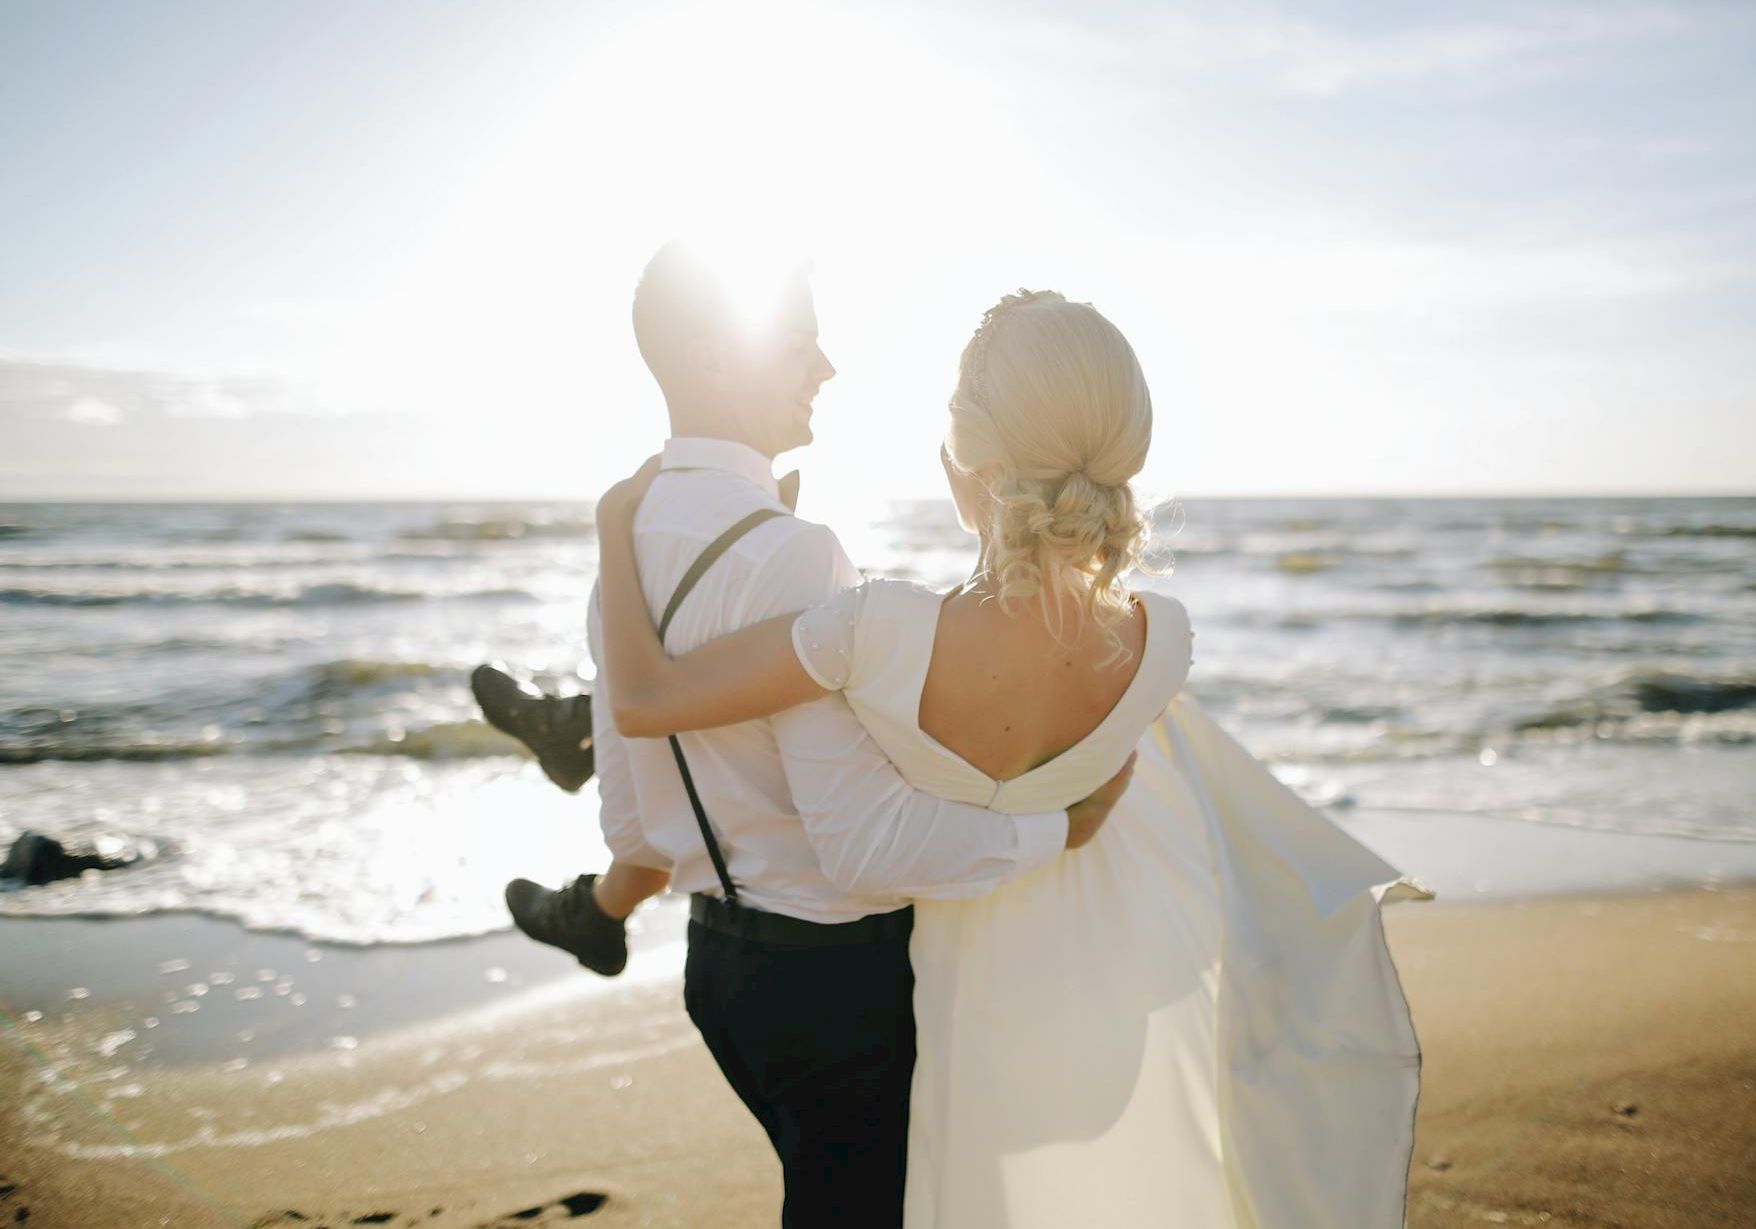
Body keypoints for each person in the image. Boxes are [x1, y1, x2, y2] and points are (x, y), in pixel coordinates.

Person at [588, 288, 1432, 1228]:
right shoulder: (1165, 643)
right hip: (1081, 1011)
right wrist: (1063, 826)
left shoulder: (877, 631)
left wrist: (614, 538)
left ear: (968, 466)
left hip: (937, 1015)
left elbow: (648, 700)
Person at [503, 242, 1135, 1228]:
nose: (827, 367)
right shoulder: (799, 556)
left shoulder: (625, 550)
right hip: (835, 988)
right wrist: (1059, 828)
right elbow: (863, 843)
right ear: (719, 357)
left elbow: (635, 821)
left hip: (715, 972)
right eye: (800, 344)